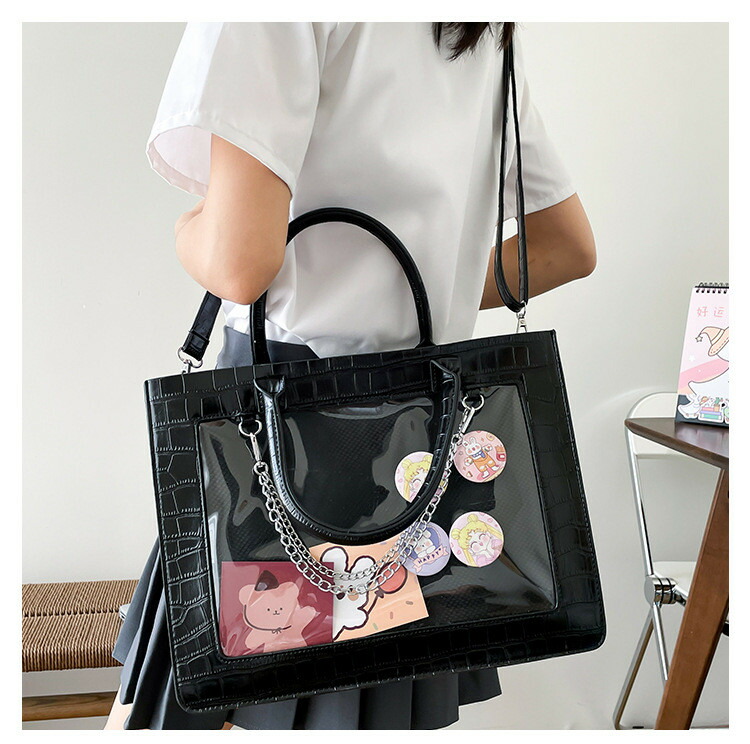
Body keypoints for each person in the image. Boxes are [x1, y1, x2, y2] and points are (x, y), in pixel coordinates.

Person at [105, 21, 596, 731]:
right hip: (416, 439)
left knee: (218, 687)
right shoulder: (481, 27)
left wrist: (188, 230)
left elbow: (239, 262)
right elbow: (566, 245)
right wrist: (430, 293)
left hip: (273, 433)